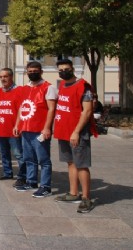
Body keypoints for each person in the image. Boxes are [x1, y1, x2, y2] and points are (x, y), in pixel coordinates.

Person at [53, 59, 97, 213]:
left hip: (77, 132)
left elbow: (87, 111)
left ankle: (86, 198)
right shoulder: (63, 85)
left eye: (66, 69)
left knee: (81, 164)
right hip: (64, 131)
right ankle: (73, 193)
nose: (63, 72)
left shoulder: (83, 86)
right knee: (70, 162)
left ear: (73, 69)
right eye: (61, 70)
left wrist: (76, 131)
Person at [13, 61, 57, 197]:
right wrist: (17, 124)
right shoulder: (24, 88)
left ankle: (45, 186)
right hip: (26, 129)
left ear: (41, 71)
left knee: (43, 159)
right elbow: (22, 107)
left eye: (35, 71)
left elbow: (51, 109)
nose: (32, 73)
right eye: (30, 71)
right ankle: (31, 181)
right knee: (29, 158)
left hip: (40, 130)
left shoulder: (48, 87)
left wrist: (47, 128)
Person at [0, 68, 26, 186]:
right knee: (4, 152)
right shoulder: (0, 91)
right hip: (1, 128)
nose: (3, 79)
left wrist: (17, 125)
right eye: (1, 77)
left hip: (13, 129)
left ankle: (23, 175)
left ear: (11, 77)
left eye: (5, 76)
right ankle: (7, 172)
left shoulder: (19, 91)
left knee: (18, 154)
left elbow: (21, 109)